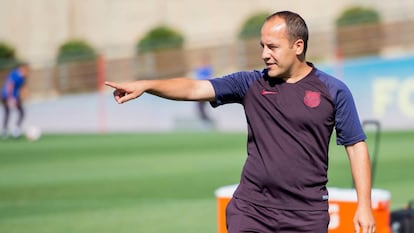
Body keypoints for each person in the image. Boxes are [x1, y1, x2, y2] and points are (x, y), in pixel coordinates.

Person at [105, 11, 375, 233]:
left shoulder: (334, 91)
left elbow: (355, 146)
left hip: (306, 215)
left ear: (298, 46)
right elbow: (193, 89)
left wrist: (364, 205)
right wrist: (147, 85)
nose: (264, 54)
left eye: (272, 47)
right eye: (262, 46)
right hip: (251, 210)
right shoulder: (250, 84)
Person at [1, 62, 29, 139]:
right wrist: (10, 98)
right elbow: (10, 85)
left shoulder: (23, 77)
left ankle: (16, 129)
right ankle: (5, 131)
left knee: (21, 112)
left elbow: (22, 87)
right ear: (22, 68)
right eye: (26, 69)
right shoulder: (15, 74)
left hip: (15, 96)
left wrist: (25, 94)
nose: (28, 71)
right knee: (8, 112)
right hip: (7, 96)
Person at [194, 53, 214, 125]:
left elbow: (208, 77)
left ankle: (205, 119)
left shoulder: (208, 69)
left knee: (202, 104)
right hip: (199, 87)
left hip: (204, 88)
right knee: (199, 106)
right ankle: (203, 118)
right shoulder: (199, 68)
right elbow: (197, 76)